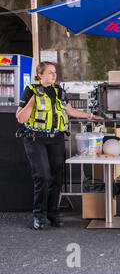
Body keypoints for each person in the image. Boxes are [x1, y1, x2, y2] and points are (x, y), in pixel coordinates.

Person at [16, 61, 103, 230]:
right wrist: (32, 102)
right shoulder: (30, 91)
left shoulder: (59, 91)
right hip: (36, 138)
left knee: (57, 177)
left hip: (56, 138)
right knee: (42, 176)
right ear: (40, 75)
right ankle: (39, 214)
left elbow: (69, 111)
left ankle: (52, 212)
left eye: (54, 72)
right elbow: (20, 118)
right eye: (49, 72)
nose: (53, 75)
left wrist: (91, 116)